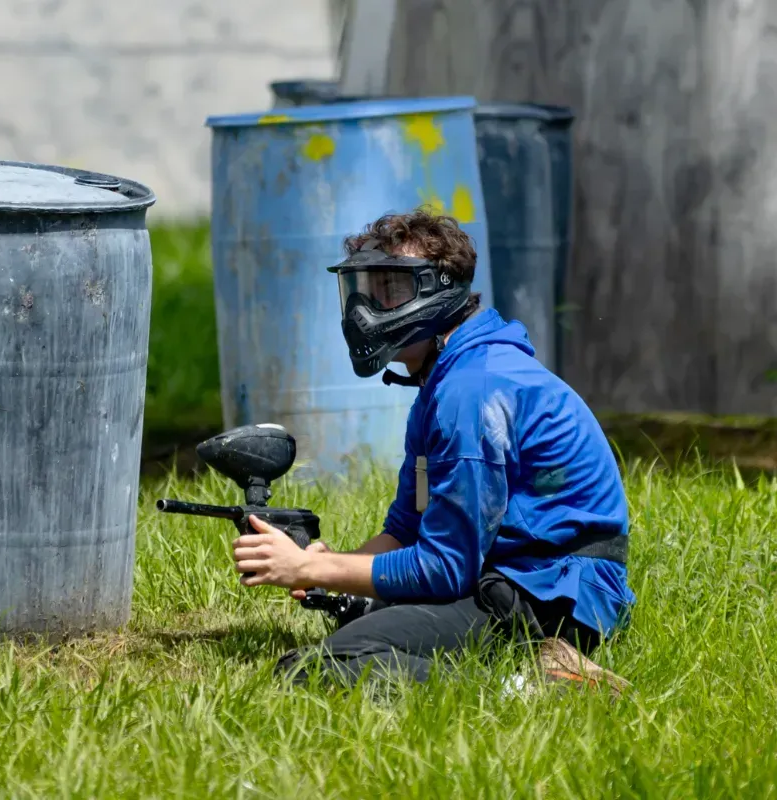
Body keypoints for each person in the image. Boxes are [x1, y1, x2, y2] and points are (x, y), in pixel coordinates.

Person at [231, 209, 635, 693]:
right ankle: (530, 671)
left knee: (315, 667)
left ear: (438, 289)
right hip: (521, 577)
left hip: (554, 597)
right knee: (355, 616)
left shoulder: (471, 391)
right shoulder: (448, 379)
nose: (364, 311)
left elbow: (445, 568)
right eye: (360, 290)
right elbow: (407, 529)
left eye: (388, 291)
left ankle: (532, 688)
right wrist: (335, 571)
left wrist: (310, 567)